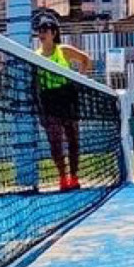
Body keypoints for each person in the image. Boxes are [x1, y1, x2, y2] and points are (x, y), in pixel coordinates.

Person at [29, 15, 93, 190]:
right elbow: (35, 84)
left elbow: (85, 59)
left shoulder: (63, 50)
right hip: (49, 101)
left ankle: (74, 177)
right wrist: (39, 108)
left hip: (67, 98)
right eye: (39, 31)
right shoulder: (35, 56)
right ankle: (63, 178)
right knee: (55, 142)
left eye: (45, 30)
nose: (42, 34)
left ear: (54, 33)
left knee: (73, 140)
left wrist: (80, 79)